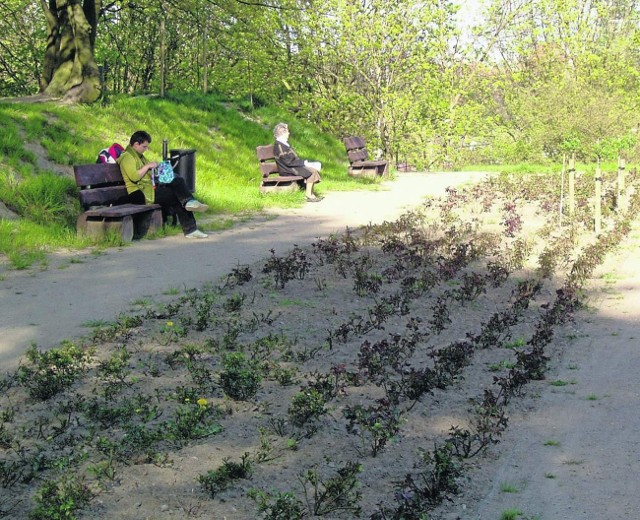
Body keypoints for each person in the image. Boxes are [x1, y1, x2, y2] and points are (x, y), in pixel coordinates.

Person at [117, 130, 209, 238]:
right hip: (138, 193)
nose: (146, 149)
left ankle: (189, 205)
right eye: (144, 147)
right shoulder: (127, 156)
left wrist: (157, 167)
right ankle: (190, 225)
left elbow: (150, 171)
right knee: (176, 195)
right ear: (136, 144)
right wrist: (148, 166)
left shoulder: (139, 156)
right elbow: (134, 176)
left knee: (177, 181)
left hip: (147, 189)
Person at [273, 123, 323, 202]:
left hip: (290, 167)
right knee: (311, 172)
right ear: (283, 133)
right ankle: (308, 195)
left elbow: (290, 160)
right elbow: (288, 162)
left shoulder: (283, 144)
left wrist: (304, 163)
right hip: (287, 169)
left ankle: (311, 193)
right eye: (287, 132)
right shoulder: (280, 146)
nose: (289, 133)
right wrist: (303, 163)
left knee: (313, 169)